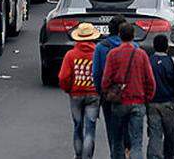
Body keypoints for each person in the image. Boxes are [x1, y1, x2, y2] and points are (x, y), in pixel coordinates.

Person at [102, 23, 157, 159]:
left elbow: (106, 80)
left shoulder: (113, 54)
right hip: (138, 101)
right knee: (136, 142)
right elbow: (150, 80)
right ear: (133, 36)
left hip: (120, 102)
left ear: (119, 35)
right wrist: (147, 98)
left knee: (117, 140)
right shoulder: (141, 54)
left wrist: (108, 93)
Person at [59, 23, 103, 159]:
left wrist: (69, 90)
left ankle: (78, 155)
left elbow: (63, 77)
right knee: (90, 129)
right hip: (93, 94)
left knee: (78, 127)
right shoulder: (97, 53)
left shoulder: (71, 55)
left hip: (76, 94)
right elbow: (102, 74)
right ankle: (87, 157)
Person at [93, 16, 129, 159]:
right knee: (129, 128)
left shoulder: (101, 47)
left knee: (113, 131)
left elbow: (96, 73)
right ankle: (128, 151)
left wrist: (100, 91)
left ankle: (116, 154)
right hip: (130, 94)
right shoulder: (133, 47)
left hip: (109, 94)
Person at [147, 34, 174, 159]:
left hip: (152, 102)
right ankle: (170, 155)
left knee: (154, 133)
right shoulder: (173, 62)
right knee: (170, 133)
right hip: (168, 102)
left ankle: (154, 156)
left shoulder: (148, 61)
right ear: (167, 48)